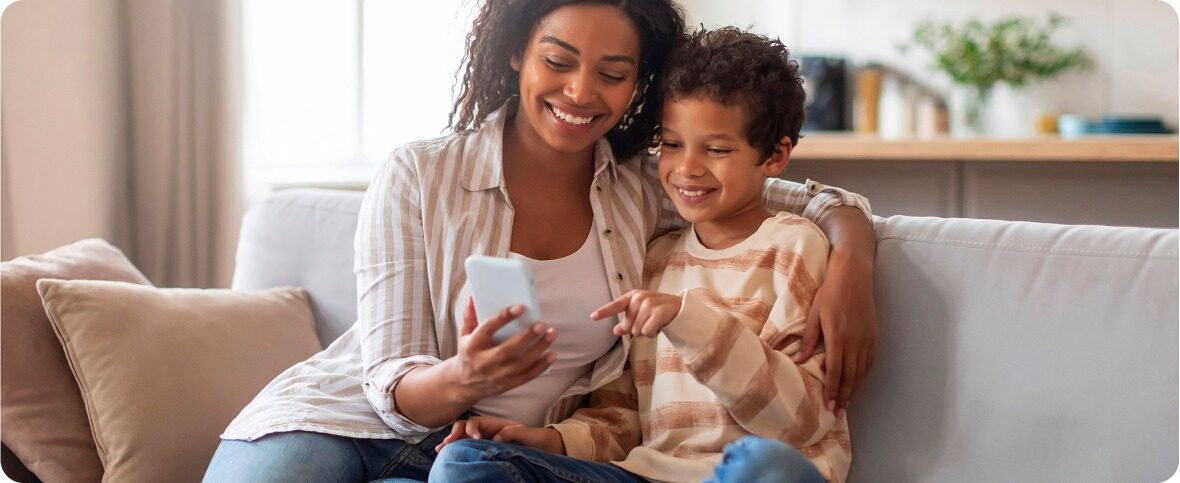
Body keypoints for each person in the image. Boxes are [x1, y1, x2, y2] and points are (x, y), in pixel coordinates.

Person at [203, 2, 875, 481]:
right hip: (351, 425)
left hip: (487, 455)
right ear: (519, 50)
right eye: (559, 60)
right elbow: (387, 384)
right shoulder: (418, 173)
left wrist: (852, 251)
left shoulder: (648, 185)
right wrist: (466, 376)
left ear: (638, 84)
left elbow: (779, 189)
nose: (581, 91)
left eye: (613, 73)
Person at [428, 27, 850, 483]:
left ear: (775, 155)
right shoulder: (655, 258)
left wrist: (688, 321)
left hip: (751, 472)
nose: (686, 167)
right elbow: (626, 414)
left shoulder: (793, 246)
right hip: (646, 476)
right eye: (671, 144)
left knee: (763, 466)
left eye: (717, 149)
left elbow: (801, 419)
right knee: (465, 461)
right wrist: (551, 441)